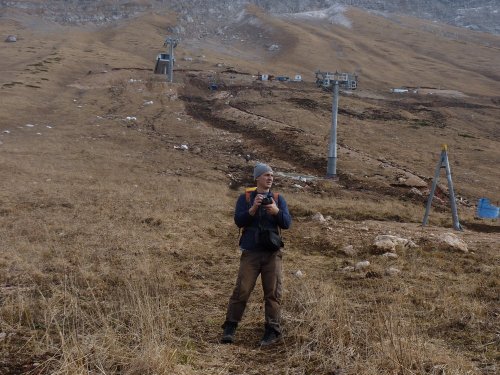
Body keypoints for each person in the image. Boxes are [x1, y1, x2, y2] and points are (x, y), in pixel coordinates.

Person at [221, 162, 292, 346]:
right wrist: (253, 209)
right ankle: (230, 327)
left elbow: (286, 224)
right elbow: (239, 221)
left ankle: (272, 330)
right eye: (266, 175)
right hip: (251, 252)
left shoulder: (277, 198)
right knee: (242, 290)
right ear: (257, 178)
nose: (270, 178)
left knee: (273, 293)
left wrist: (276, 212)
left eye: (272, 175)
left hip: (272, 253)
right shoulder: (245, 198)